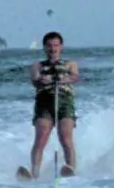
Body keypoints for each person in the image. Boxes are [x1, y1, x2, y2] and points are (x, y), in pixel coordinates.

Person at [28, 30, 79, 177]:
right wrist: (41, 80)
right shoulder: (36, 66)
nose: (53, 49)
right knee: (41, 137)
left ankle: (71, 169)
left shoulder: (70, 64)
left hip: (65, 102)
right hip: (44, 103)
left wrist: (66, 79)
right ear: (44, 48)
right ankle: (35, 172)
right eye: (49, 46)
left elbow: (75, 77)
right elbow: (35, 79)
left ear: (61, 47)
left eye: (56, 45)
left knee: (65, 137)